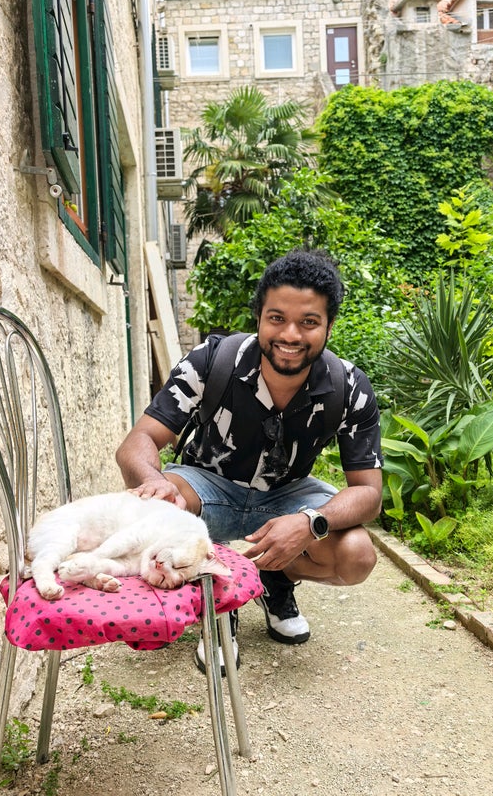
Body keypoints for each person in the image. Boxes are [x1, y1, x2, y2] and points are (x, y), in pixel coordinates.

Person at [116, 248, 383, 672]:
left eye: (308, 322)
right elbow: (138, 441)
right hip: (206, 486)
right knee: (165, 502)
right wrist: (156, 484)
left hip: (286, 498)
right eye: (277, 318)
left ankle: (275, 577)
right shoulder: (212, 360)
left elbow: (368, 493)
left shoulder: (349, 386)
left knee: (357, 555)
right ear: (258, 316)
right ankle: (214, 598)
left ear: (329, 326)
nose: (290, 334)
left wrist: (309, 522)